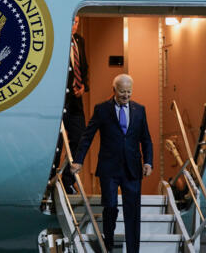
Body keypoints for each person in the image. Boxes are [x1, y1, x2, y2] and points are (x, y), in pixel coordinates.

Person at [71, 74, 153, 253]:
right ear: (114, 90)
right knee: (110, 206)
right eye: (123, 91)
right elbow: (87, 136)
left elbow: (146, 139)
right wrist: (78, 160)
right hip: (109, 168)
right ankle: (108, 244)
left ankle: (133, 250)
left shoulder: (140, 110)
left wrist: (148, 162)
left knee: (133, 211)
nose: (126, 95)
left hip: (132, 168)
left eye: (129, 92)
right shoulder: (102, 109)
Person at [52, 16, 89, 194]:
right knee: (56, 143)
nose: (74, 26)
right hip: (59, 101)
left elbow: (84, 67)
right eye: (71, 22)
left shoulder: (79, 41)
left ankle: (68, 180)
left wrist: (84, 87)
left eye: (76, 22)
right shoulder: (57, 41)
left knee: (80, 138)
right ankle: (50, 181)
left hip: (76, 102)